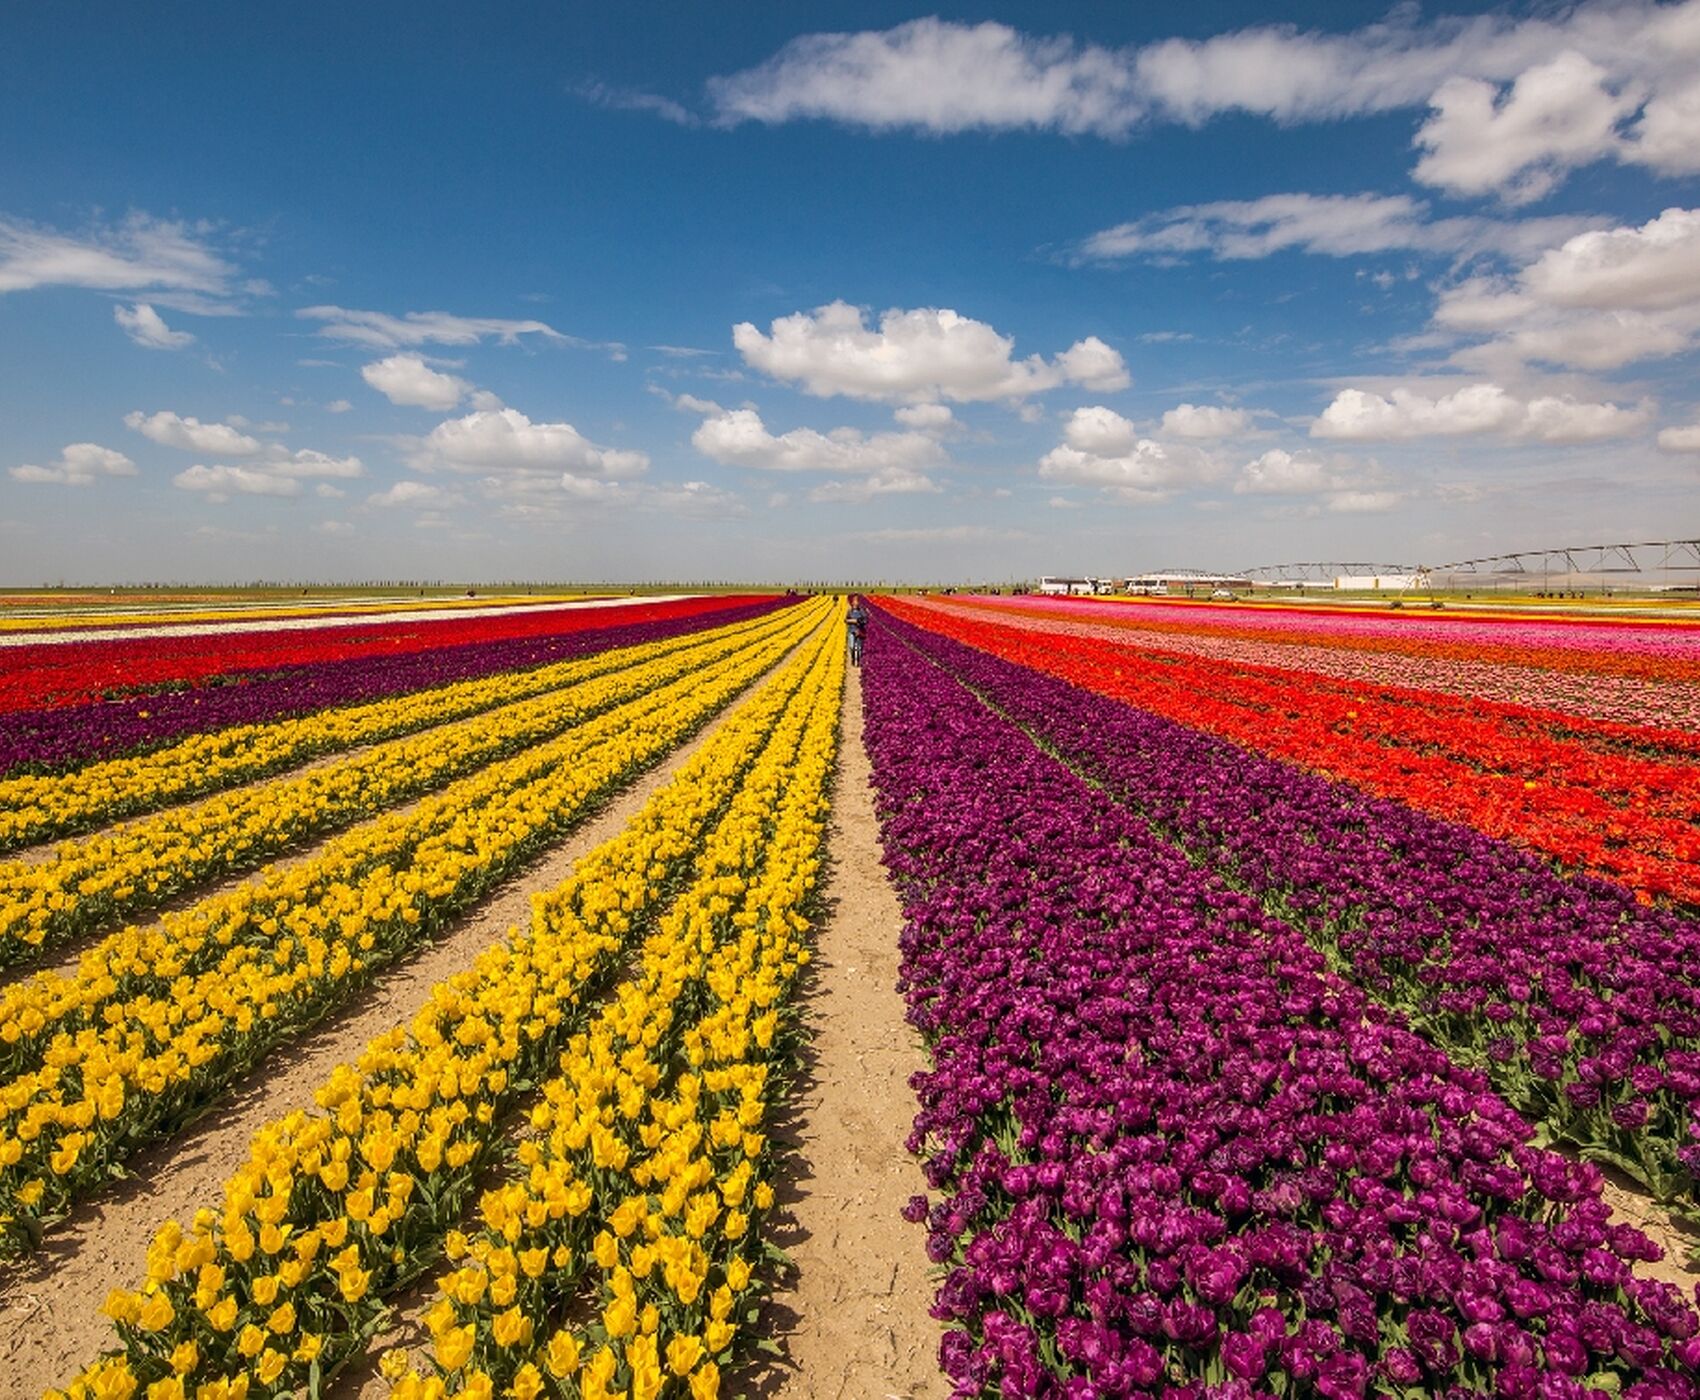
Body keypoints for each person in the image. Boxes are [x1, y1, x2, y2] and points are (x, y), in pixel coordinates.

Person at [845, 595, 868, 666]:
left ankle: (858, 661)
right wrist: (850, 621)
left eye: (856, 602)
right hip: (851, 630)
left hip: (859, 631)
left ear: (858, 603)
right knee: (851, 646)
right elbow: (846, 619)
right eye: (853, 602)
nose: (855, 604)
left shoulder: (862, 611)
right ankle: (852, 658)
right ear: (852, 603)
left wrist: (857, 621)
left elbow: (865, 620)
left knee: (858, 648)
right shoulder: (849, 611)